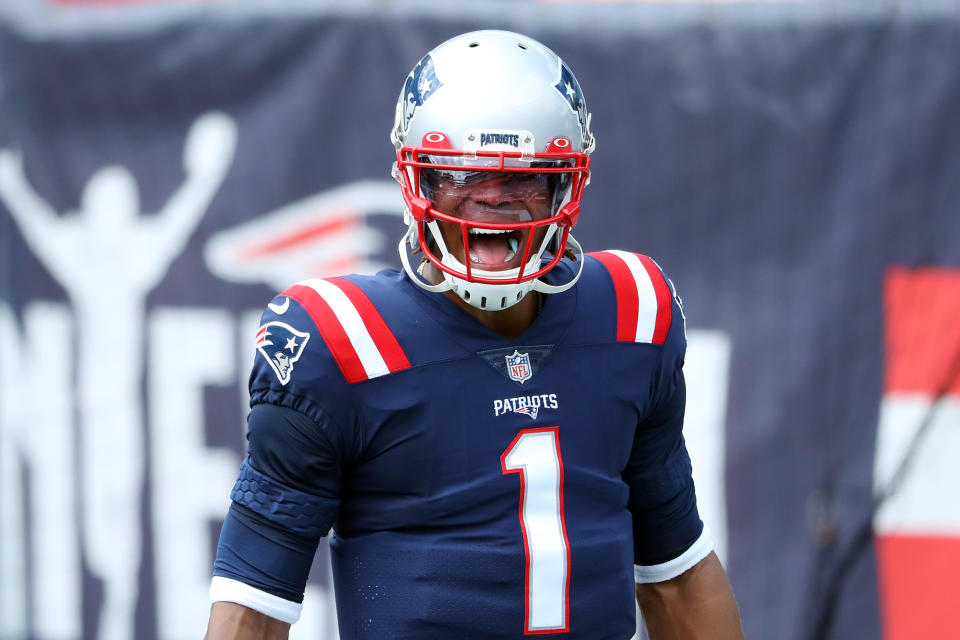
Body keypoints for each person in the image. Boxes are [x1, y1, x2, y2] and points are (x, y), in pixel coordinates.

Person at [205, 30, 744, 640]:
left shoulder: (632, 314)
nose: (491, 203)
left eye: (526, 178)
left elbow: (676, 572)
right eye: (461, 175)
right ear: (417, 182)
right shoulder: (337, 343)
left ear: (569, 183)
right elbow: (251, 605)